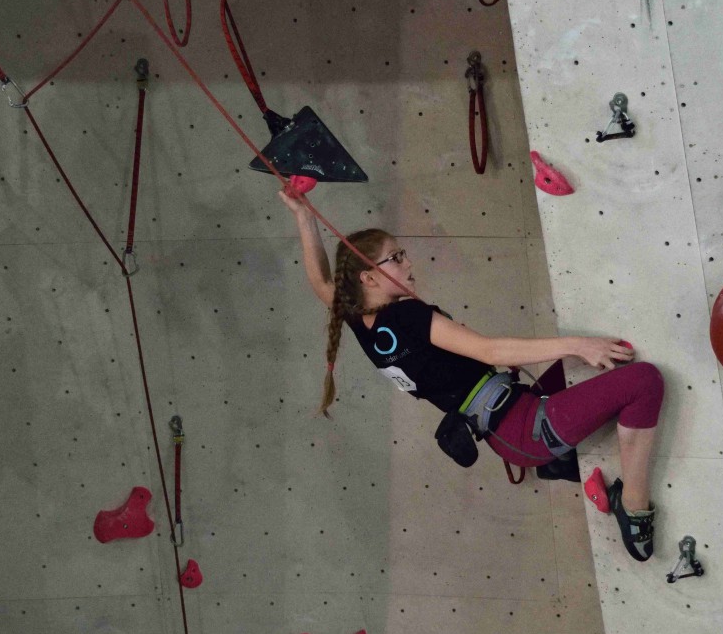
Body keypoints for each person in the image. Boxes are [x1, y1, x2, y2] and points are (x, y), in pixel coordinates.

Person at [280, 189, 665, 562]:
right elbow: (489, 351)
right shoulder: (407, 316)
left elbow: (321, 285)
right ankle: (631, 509)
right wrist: (579, 344)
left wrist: (303, 216)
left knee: (580, 369)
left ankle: (559, 462)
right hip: (523, 428)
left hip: (505, 429)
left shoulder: (361, 322)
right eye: (396, 258)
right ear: (369, 278)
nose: (409, 264)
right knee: (643, 381)